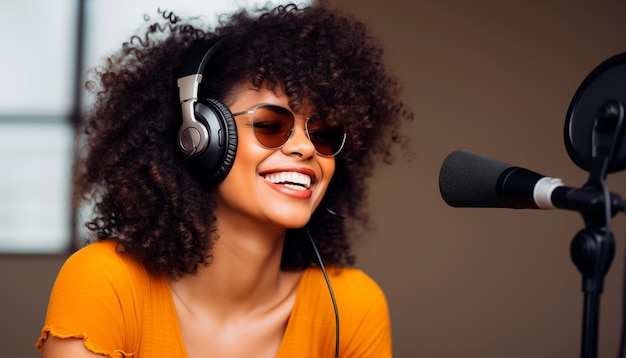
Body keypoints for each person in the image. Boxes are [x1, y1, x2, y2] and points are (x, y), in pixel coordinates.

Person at [36, 2, 412, 357]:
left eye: (324, 134)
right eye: (270, 125)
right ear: (200, 137)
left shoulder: (351, 306)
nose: (305, 148)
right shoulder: (105, 284)